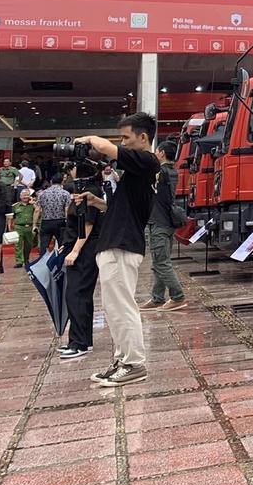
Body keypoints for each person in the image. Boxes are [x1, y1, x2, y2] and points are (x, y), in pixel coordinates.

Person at [72, 113, 160, 387]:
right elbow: (125, 209)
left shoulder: (147, 160)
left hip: (121, 245)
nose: (122, 143)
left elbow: (108, 149)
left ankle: (134, 363)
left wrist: (90, 139)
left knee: (121, 306)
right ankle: (124, 360)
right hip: (117, 243)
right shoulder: (138, 172)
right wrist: (97, 202)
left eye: (125, 137)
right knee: (114, 307)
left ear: (142, 137)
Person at [59, 165, 102, 360]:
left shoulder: (90, 191)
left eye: (75, 166)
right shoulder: (82, 190)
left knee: (76, 294)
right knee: (78, 295)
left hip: (85, 250)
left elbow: (88, 223)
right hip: (77, 246)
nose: (72, 170)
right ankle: (80, 340)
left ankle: (79, 343)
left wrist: (75, 250)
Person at [140, 140, 186, 312]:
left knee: (161, 263)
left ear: (161, 153)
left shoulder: (160, 172)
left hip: (158, 222)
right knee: (160, 261)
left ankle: (178, 297)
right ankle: (157, 298)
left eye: (157, 151)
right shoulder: (173, 171)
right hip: (167, 222)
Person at [34, 173, 71, 255]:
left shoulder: (43, 194)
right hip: (60, 221)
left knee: (44, 245)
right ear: (62, 182)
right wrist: (68, 222)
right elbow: (67, 209)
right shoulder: (65, 193)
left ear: (51, 182)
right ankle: (62, 264)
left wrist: (34, 224)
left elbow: (37, 210)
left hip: (46, 221)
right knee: (62, 244)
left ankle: (43, 263)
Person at [10, 187, 36, 269]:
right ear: (20, 196)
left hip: (29, 227)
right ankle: (19, 261)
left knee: (29, 245)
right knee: (18, 245)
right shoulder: (15, 206)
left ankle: (26, 259)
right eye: (24, 195)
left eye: (27, 195)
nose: (25, 197)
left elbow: (39, 212)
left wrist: (33, 203)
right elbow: (11, 217)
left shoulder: (33, 205)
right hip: (19, 227)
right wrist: (10, 226)